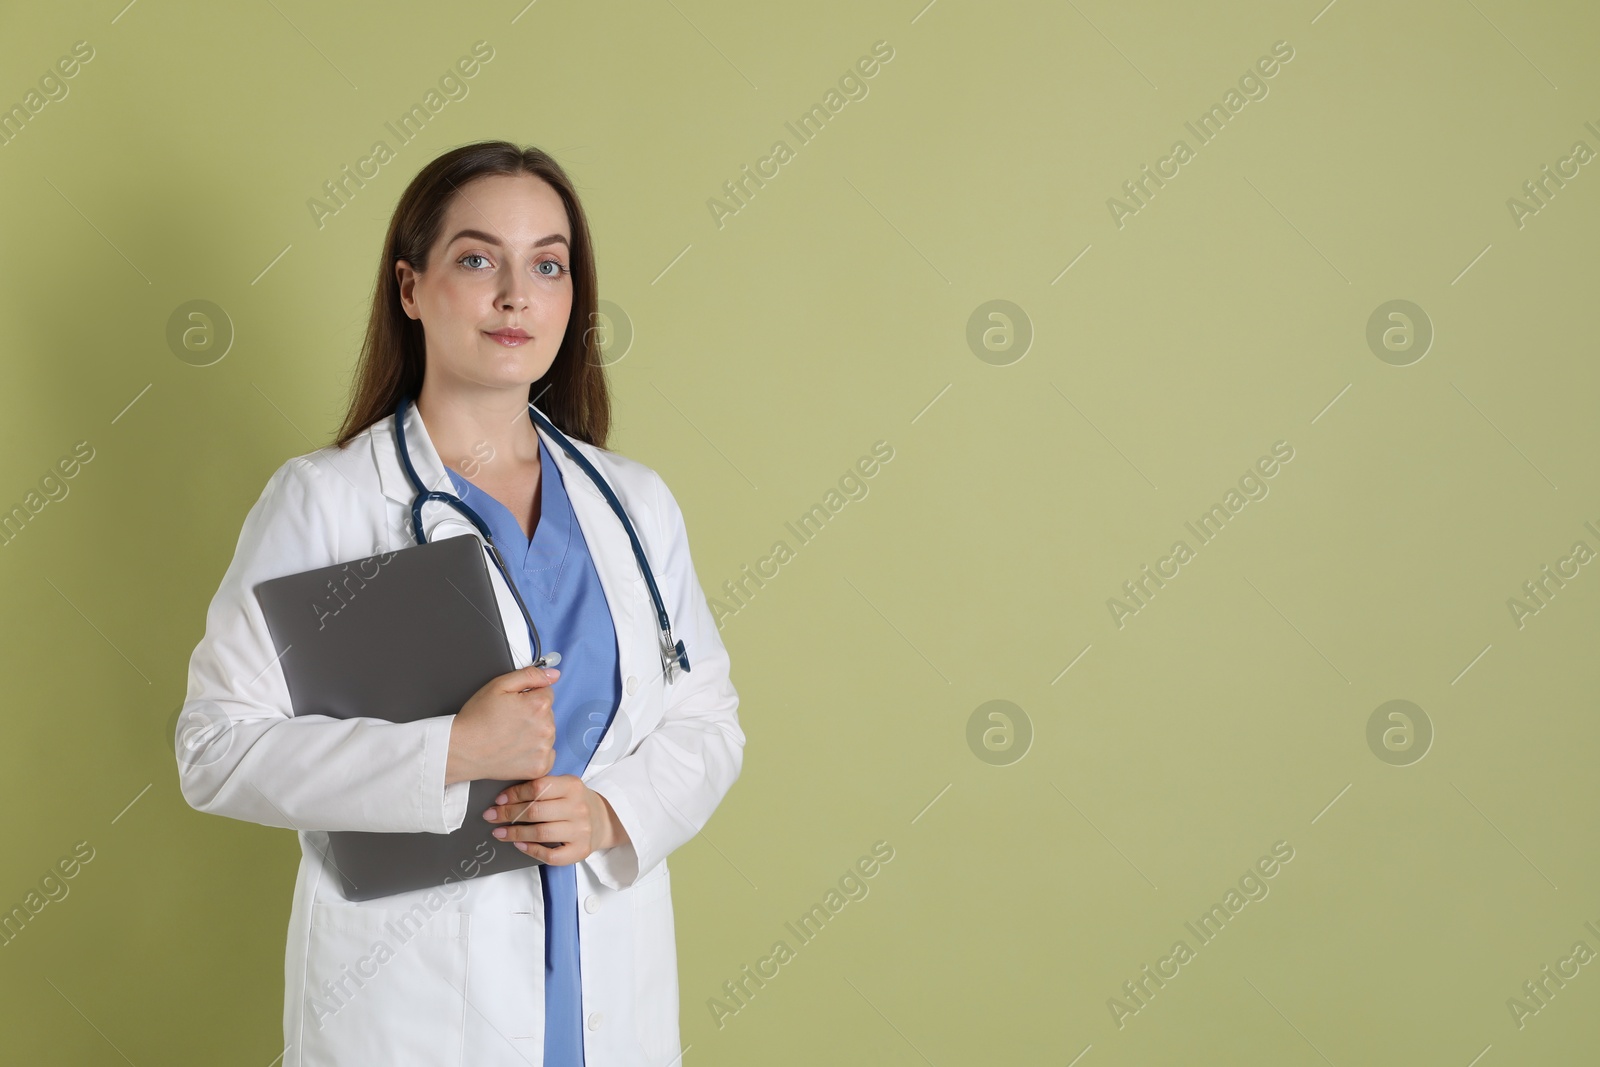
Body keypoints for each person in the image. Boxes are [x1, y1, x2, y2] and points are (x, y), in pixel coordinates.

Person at [174, 140, 744, 1066]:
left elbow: (707, 719)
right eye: (478, 259)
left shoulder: (631, 502)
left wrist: (610, 815)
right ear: (410, 287)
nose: (516, 295)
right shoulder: (328, 501)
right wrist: (451, 751)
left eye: (548, 265)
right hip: (408, 1009)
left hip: (607, 995)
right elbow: (214, 747)